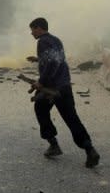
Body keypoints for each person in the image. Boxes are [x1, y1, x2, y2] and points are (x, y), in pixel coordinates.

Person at [27, 17, 100, 168]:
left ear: (39, 28)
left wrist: (40, 82)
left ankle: (53, 144)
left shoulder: (42, 41)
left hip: (52, 89)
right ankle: (89, 149)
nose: (32, 33)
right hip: (64, 85)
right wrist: (38, 59)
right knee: (71, 118)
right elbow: (57, 59)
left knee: (40, 110)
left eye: (33, 29)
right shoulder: (56, 40)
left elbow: (52, 62)